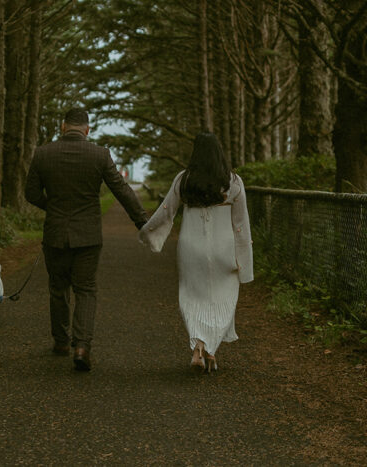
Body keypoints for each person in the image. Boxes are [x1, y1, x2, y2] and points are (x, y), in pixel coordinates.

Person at [24, 107, 149, 371]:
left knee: (58, 288)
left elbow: (31, 193)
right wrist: (142, 222)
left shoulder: (43, 154)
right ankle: (81, 347)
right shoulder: (99, 155)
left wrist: (54, 207)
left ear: (62, 127)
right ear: (87, 130)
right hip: (88, 236)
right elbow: (122, 190)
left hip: (55, 233)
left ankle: (60, 341)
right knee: (86, 289)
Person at [139, 132, 254, 372]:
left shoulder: (184, 179)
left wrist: (148, 231)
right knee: (224, 297)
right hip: (224, 248)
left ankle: (200, 347)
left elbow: (167, 210)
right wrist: (244, 259)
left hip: (191, 247)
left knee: (192, 296)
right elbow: (241, 223)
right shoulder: (233, 182)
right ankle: (209, 349)